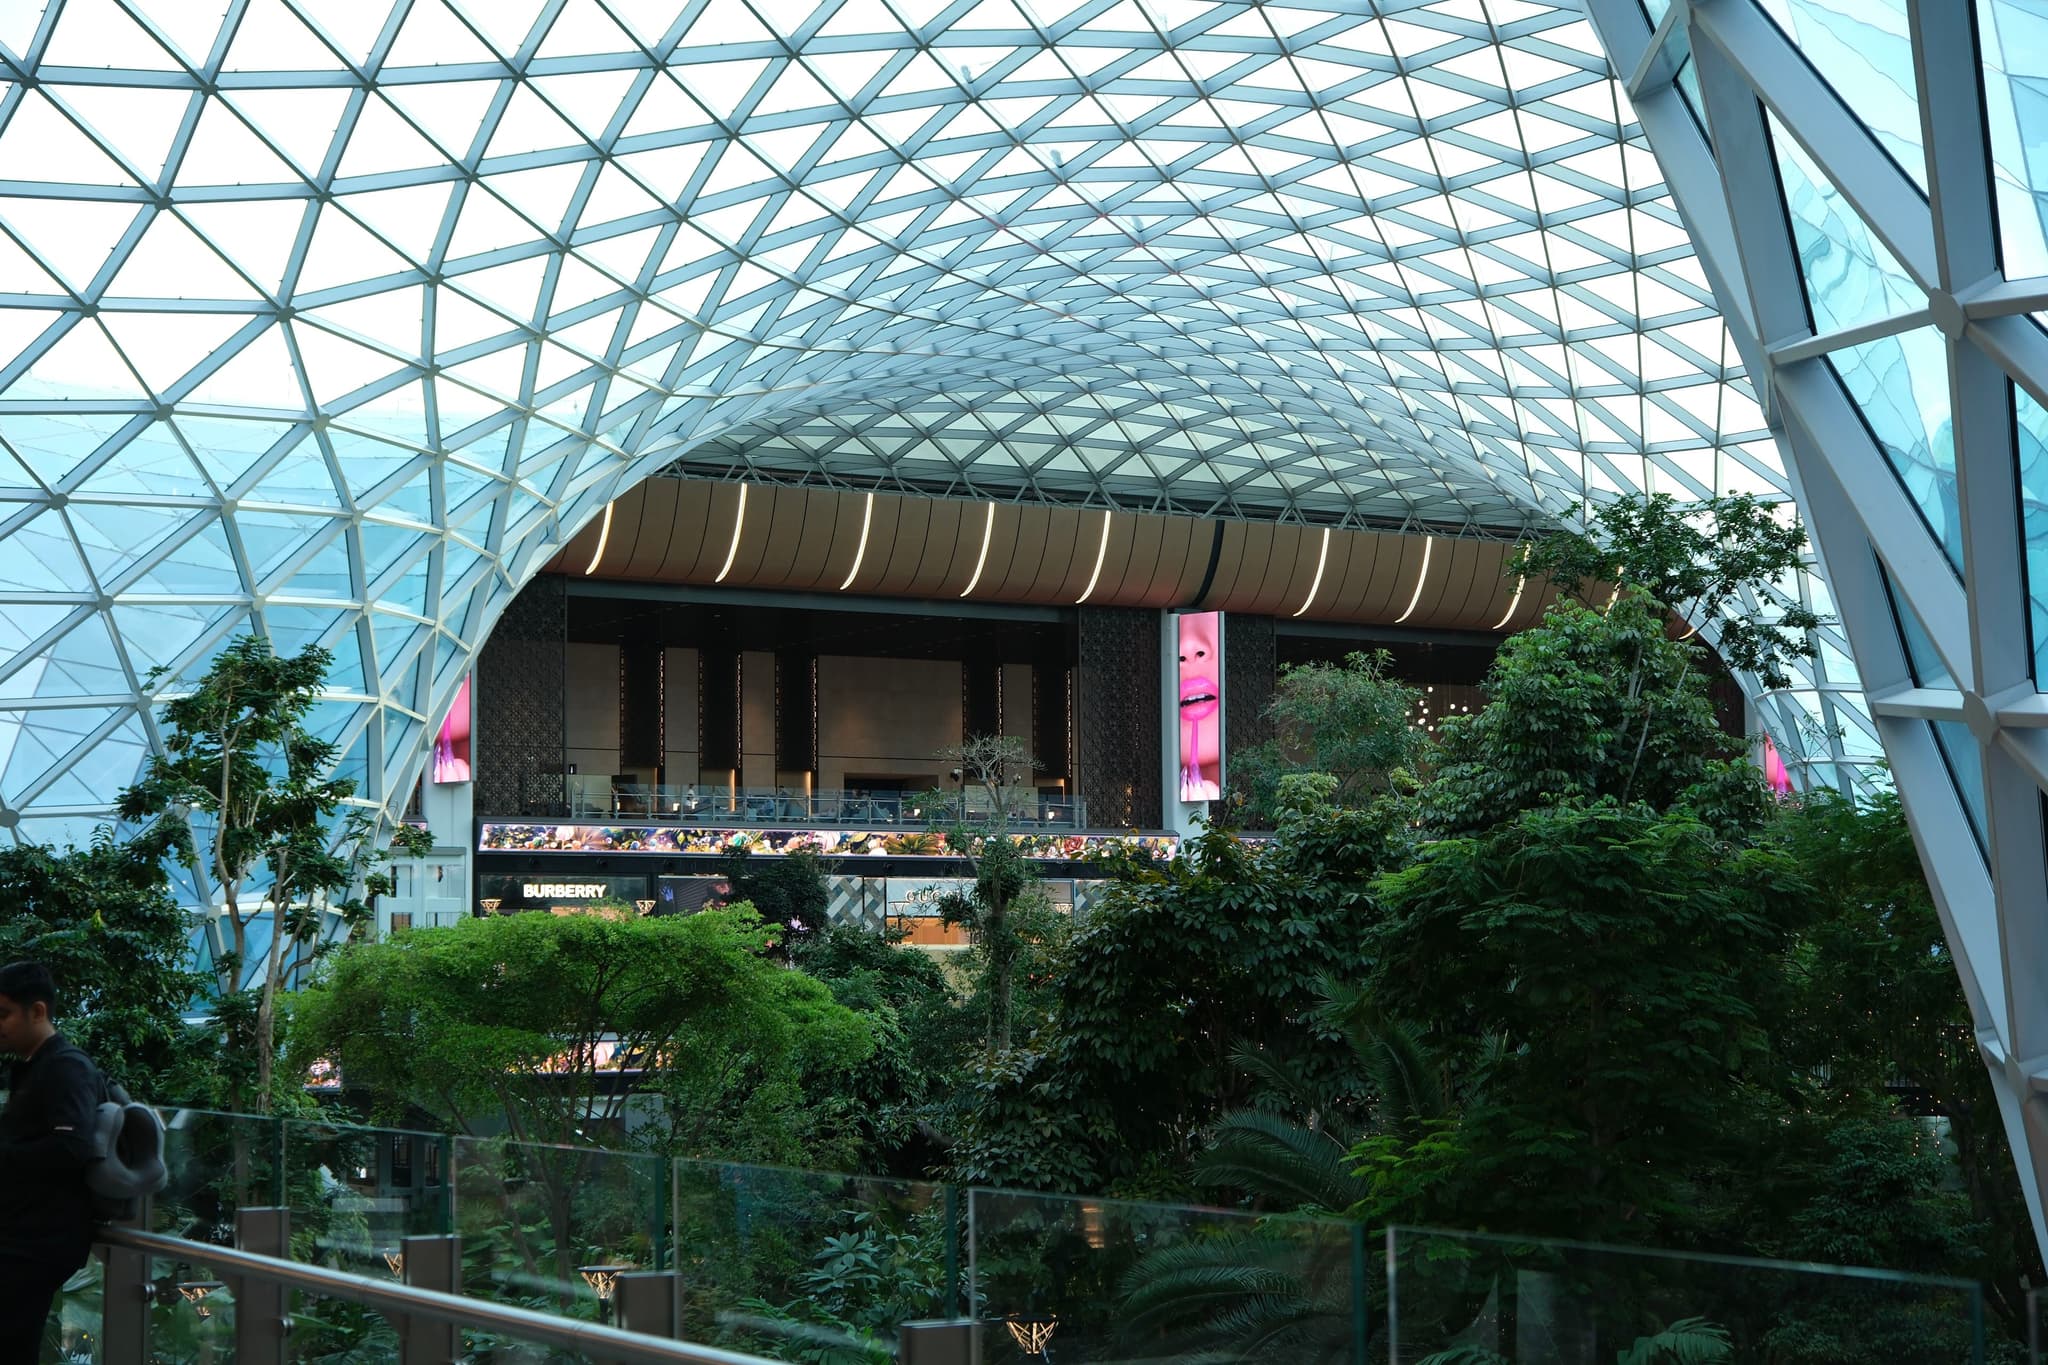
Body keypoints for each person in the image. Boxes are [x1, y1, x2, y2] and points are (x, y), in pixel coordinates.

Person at [0, 961, 104, 1365]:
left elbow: (70, 1148)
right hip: (23, 1236)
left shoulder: (65, 1066)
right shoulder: (33, 1068)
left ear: (38, 1011)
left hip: (37, 1243)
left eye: (4, 1013)